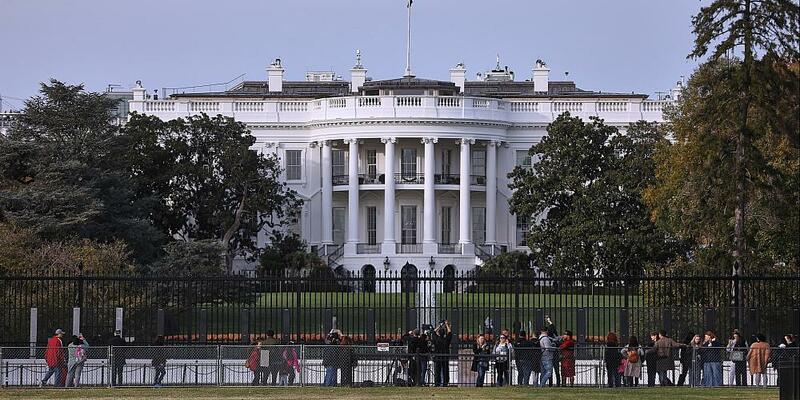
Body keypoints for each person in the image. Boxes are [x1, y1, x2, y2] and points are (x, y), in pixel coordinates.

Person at [431, 320, 453, 387]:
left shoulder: (436, 339)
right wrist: (446, 325)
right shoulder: (446, 340)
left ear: (439, 333)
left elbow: (433, 332)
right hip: (445, 356)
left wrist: (439, 326)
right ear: (444, 334)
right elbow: (450, 332)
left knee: (437, 370)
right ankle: (445, 383)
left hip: (438, 356)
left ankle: (437, 383)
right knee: (445, 370)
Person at [545, 316, 561, 386]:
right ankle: (558, 384)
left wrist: (549, 322)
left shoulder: (547, 338)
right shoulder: (557, 338)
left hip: (550, 356)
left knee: (550, 371)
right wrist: (550, 322)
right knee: (556, 371)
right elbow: (554, 329)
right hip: (556, 355)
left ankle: (550, 384)